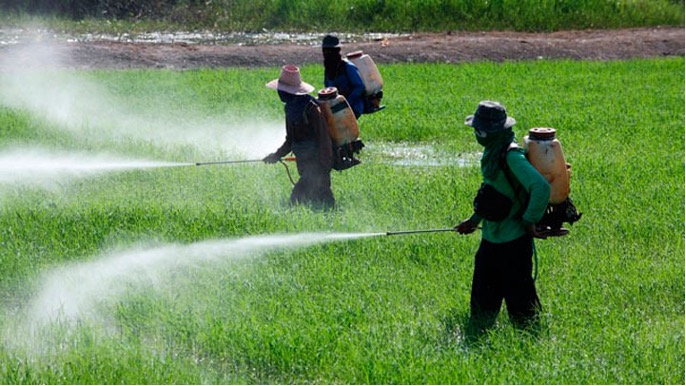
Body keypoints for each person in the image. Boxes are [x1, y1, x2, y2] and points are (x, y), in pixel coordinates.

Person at [455, 100, 551, 333]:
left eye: (478, 130)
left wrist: (528, 221)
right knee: (481, 305)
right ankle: (479, 333)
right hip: (491, 237)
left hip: (514, 240)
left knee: (521, 305)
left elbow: (541, 188)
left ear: (491, 131)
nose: (476, 135)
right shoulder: (492, 153)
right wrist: (474, 220)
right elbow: (493, 194)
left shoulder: (510, 156)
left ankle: (530, 339)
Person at [263, 64, 335, 209]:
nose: (280, 93)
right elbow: (290, 140)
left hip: (318, 163)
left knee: (297, 198)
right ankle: (333, 216)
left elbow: (324, 138)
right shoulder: (290, 109)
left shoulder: (311, 109)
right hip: (305, 163)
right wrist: (276, 155)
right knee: (321, 199)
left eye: (282, 90)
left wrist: (324, 166)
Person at [322, 34, 366, 119]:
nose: (327, 53)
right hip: (336, 106)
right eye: (325, 50)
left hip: (353, 106)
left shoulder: (348, 66)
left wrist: (346, 102)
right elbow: (327, 87)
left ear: (337, 50)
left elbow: (360, 87)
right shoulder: (328, 68)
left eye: (331, 50)